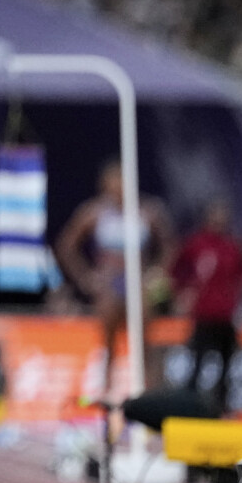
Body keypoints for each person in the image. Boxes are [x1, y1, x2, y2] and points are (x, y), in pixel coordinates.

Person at [57, 160, 177, 392]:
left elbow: (169, 245)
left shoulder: (147, 210)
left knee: (144, 340)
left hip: (138, 280)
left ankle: (148, 390)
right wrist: (85, 277)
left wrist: (158, 273)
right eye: (112, 184)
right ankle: (107, 391)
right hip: (110, 282)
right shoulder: (95, 212)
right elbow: (67, 245)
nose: (118, 189)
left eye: (121, 183)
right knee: (108, 340)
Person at [171, 198, 242, 411]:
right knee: (198, 362)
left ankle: (222, 405)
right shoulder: (197, 244)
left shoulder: (233, 247)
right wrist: (183, 292)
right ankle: (188, 404)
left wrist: (239, 305)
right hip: (204, 314)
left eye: (223, 215)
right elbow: (177, 268)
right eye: (215, 215)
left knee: (226, 365)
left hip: (226, 314)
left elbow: (241, 276)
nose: (219, 219)